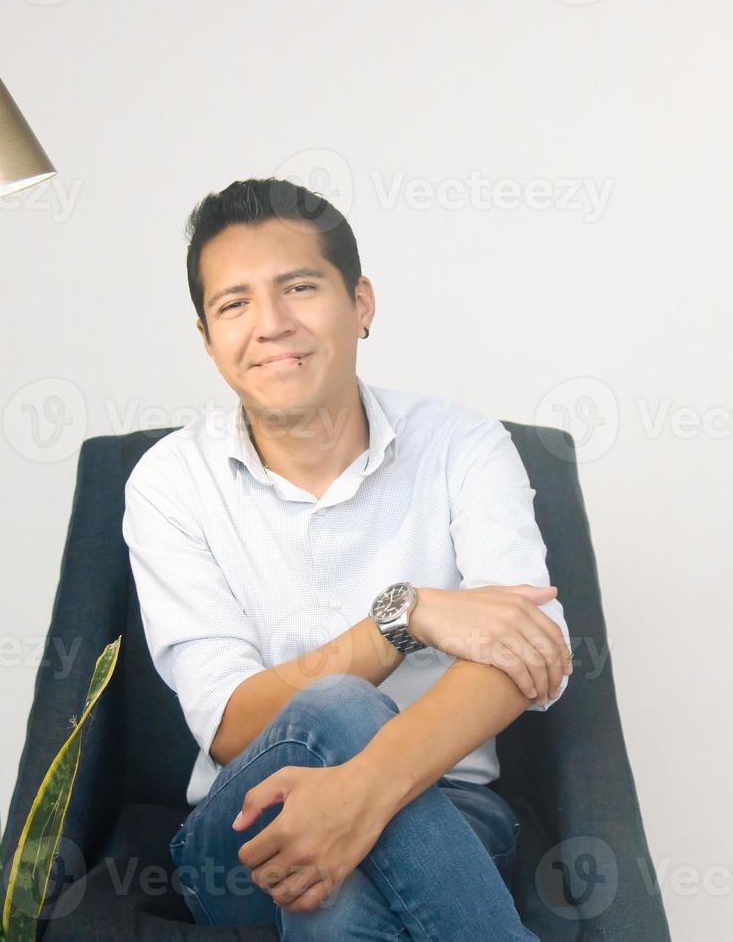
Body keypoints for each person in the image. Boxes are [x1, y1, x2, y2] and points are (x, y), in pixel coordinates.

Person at [122, 177, 573, 940]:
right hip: (240, 825)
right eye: (234, 304)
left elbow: (530, 655)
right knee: (332, 708)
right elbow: (231, 725)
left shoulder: (464, 446)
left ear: (360, 302)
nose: (270, 325)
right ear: (207, 337)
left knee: (333, 912)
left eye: (299, 287)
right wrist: (407, 617)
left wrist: (359, 792)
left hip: (453, 810)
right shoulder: (171, 484)